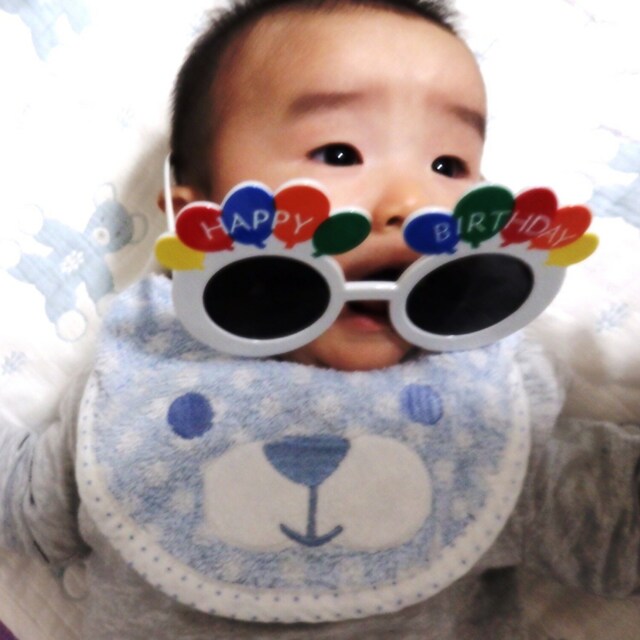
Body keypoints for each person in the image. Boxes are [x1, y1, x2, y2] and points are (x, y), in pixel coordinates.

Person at [1, 1, 639, 639]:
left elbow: (614, 525)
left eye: (449, 167)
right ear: (198, 219)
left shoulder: (486, 399)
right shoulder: (149, 370)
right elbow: (29, 499)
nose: (411, 202)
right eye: (338, 153)